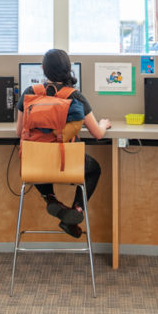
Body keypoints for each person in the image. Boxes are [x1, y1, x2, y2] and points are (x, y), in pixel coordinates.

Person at [16, 48, 112, 237]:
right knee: (94, 169)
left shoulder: (29, 93)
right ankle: (76, 210)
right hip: (67, 164)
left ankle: (50, 198)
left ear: (43, 69)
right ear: (68, 69)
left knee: (38, 160)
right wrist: (104, 123)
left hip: (35, 165)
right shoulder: (75, 96)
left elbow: (19, 131)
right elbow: (97, 134)